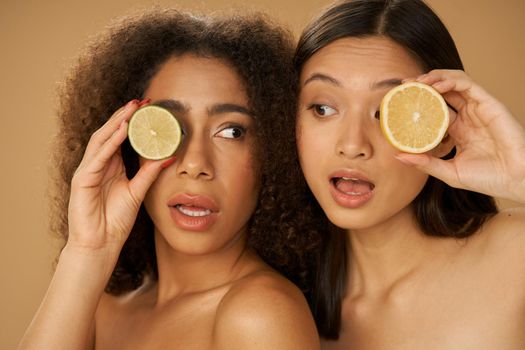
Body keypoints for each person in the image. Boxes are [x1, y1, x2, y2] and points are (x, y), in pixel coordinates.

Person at [18, 9, 320, 349]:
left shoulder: (260, 314)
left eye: (232, 131)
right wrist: (87, 251)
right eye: (170, 126)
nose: (194, 164)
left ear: (275, 151)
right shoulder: (103, 307)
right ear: (129, 143)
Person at [293, 0, 525, 348]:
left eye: (387, 111)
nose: (353, 144)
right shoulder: (282, 308)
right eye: (323, 108)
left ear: (441, 130)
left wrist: (520, 176)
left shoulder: (514, 259)